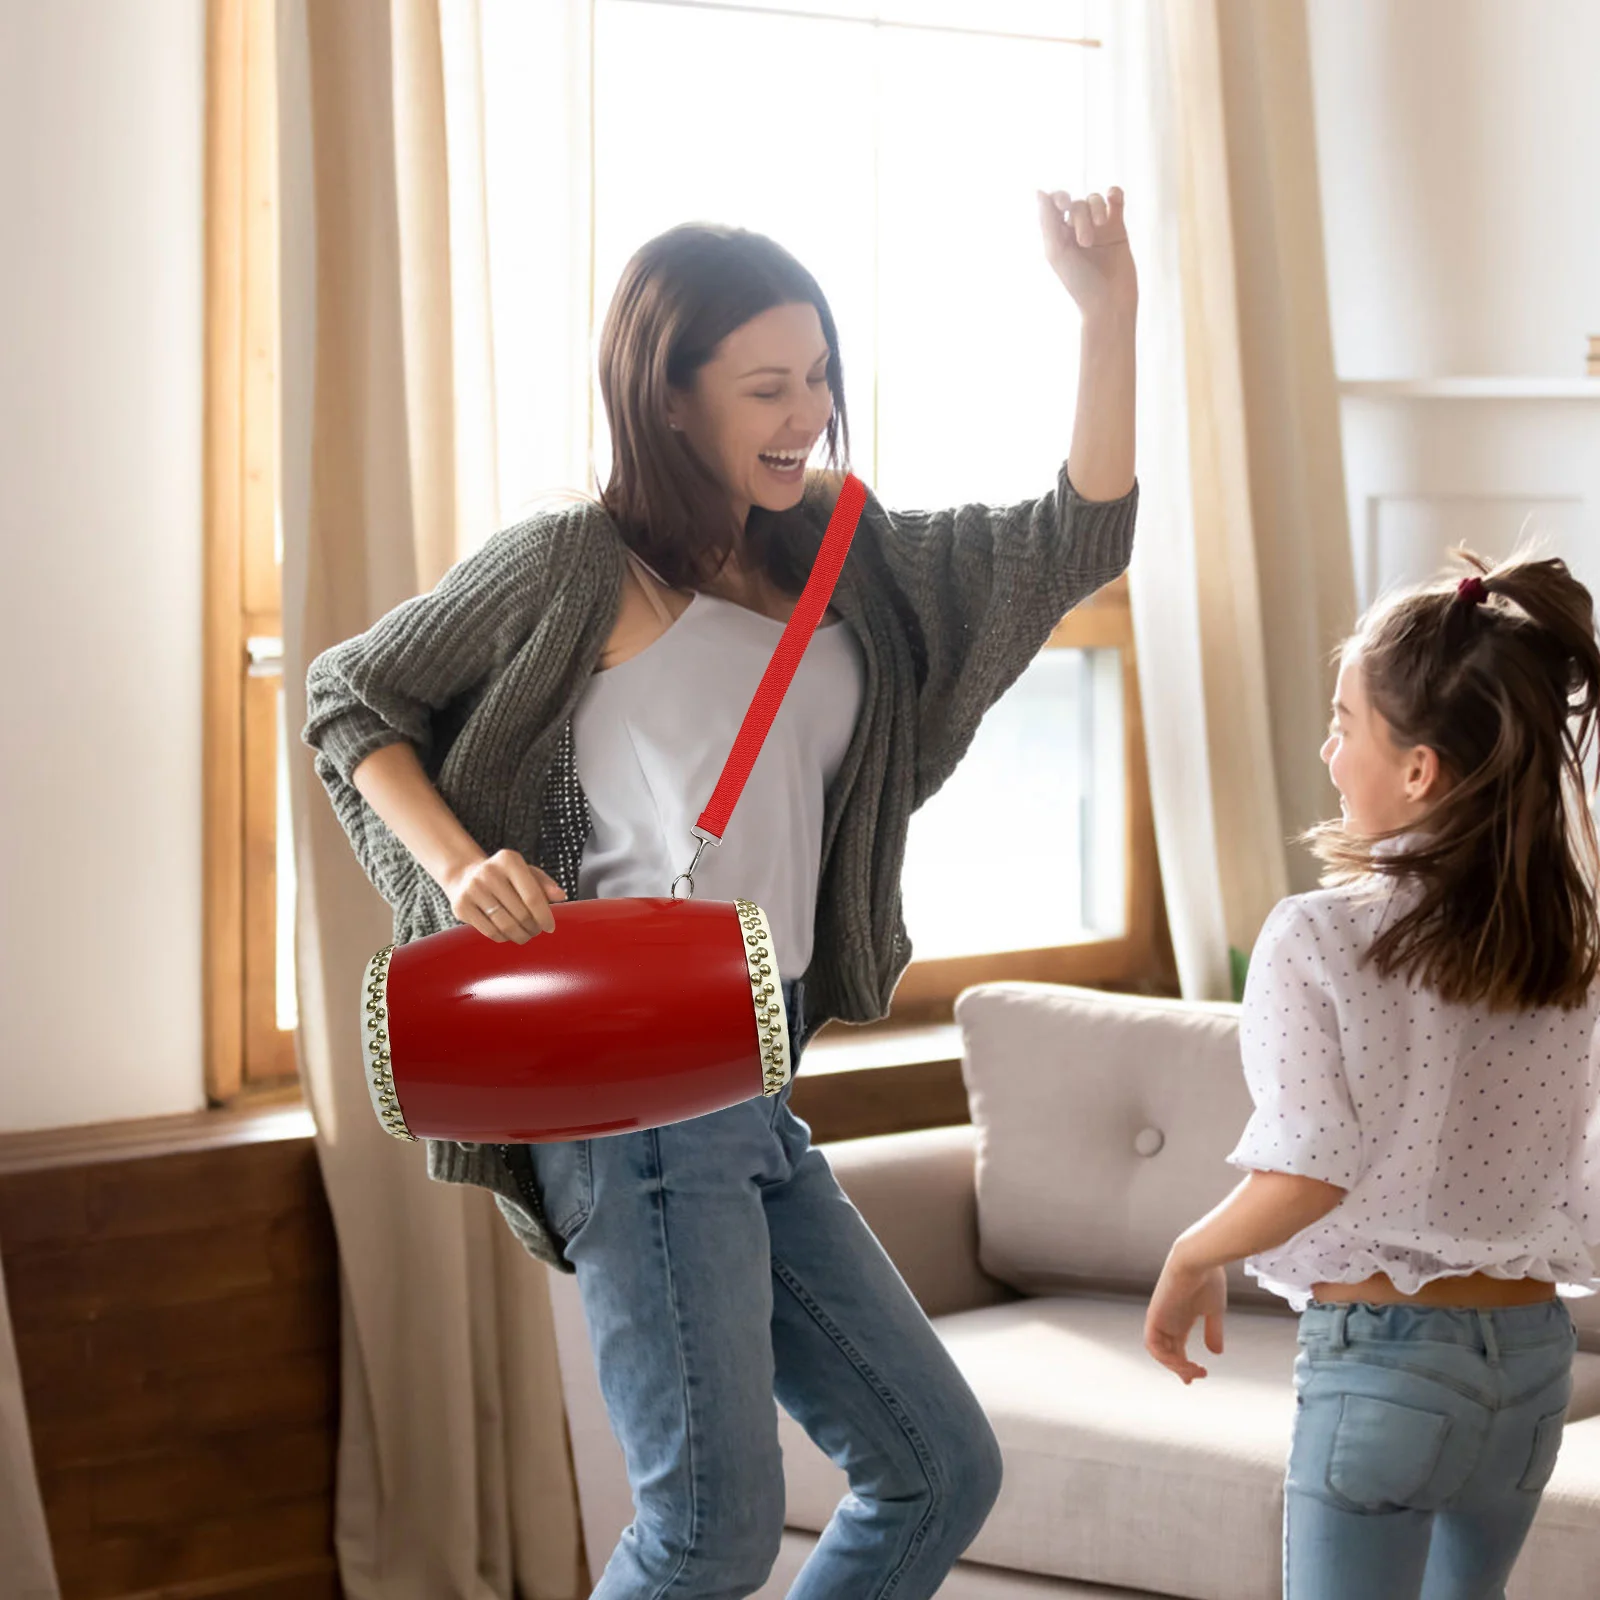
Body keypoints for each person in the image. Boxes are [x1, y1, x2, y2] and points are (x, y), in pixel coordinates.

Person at [304, 189, 1138, 1600]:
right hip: (626, 1095)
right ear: (669, 396)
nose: (805, 410)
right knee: (707, 1532)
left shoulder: (842, 550)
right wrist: (459, 865)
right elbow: (351, 695)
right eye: (766, 386)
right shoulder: (575, 560)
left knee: (937, 1470)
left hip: (749, 1085)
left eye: (817, 377)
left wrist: (1105, 311)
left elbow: (1076, 540)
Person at [1145, 551, 1600, 1599]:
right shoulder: (1565, 946)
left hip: (1388, 1369)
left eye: (1345, 723)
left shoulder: (1316, 934)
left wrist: (1190, 1253)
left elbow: (1311, 1167)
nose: (1326, 747)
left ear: (1419, 770)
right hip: (1534, 1361)